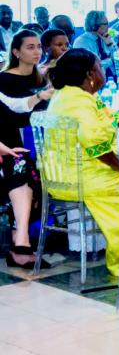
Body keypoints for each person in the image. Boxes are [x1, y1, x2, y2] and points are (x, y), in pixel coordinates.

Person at [43, 48, 119, 278]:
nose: (103, 71)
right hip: (83, 175)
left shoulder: (74, 94)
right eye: (100, 67)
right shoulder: (78, 103)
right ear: (90, 74)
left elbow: (106, 113)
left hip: (73, 170)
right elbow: (92, 141)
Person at [0, 29, 50, 269]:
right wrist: (40, 96)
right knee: (21, 165)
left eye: (39, 46)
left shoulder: (41, 79)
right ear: (16, 52)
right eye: (30, 47)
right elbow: (16, 108)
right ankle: (21, 242)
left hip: (39, 144)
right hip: (8, 144)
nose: (37, 51)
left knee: (37, 166)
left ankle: (20, 238)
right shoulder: (4, 80)